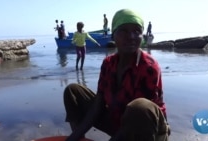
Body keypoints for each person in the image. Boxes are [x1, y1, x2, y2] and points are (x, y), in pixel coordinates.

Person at [64, 9, 170, 141]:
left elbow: (140, 117)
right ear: (113, 35)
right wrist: (73, 137)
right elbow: (98, 105)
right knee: (73, 91)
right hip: (118, 121)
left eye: (136, 31)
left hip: (148, 130)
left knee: (140, 107)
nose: (131, 36)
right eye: (124, 30)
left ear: (142, 36)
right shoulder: (108, 63)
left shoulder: (149, 67)